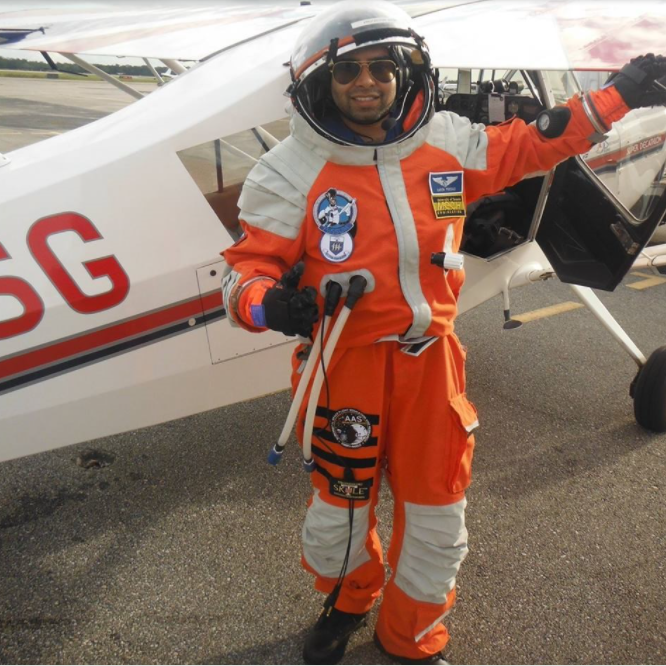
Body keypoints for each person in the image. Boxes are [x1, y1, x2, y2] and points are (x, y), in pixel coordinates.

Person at [220, 2, 666, 663]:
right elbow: (244, 274)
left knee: (436, 518)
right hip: (343, 368)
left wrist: (620, 96)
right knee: (338, 515)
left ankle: (412, 637)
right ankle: (348, 600)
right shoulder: (288, 171)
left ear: (405, 74)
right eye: (349, 72)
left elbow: (536, 141)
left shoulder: (447, 143)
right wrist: (269, 305)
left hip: (433, 364)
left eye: (381, 68)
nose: (366, 82)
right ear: (325, 83)